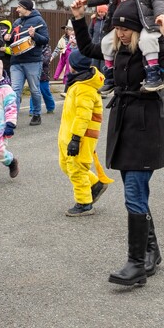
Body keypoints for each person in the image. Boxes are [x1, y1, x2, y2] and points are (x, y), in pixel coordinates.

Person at [70, 0, 164, 287]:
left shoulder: (153, 48)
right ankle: (151, 251)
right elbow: (86, 49)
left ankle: (136, 264)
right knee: (136, 193)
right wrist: (78, 18)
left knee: (134, 193)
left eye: (126, 29)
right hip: (123, 125)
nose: (120, 33)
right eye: (117, 28)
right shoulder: (116, 48)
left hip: (146, 127)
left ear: (137, 28)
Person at [58, 49, 114, 217]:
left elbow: (83, 116)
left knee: (77, 169)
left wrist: (76, 139)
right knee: (66, 165)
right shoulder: (77, 83)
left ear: (74, 66)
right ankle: (95, 184)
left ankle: (84, 203)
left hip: (81, 137)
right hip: (69, 134)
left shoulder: (85, 88)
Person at [7, 0, 50, 125]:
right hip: (16, 61)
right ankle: (12, 118)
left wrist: (34, 35)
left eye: (19, 7)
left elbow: (45, 40)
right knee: (15, 90)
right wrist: (8, 38)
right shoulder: (17, 22)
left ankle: (36, 114)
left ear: (26, 8)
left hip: (33, 61)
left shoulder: (39, 21)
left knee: (34, 90)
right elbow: (13, 41)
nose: (17, 9)